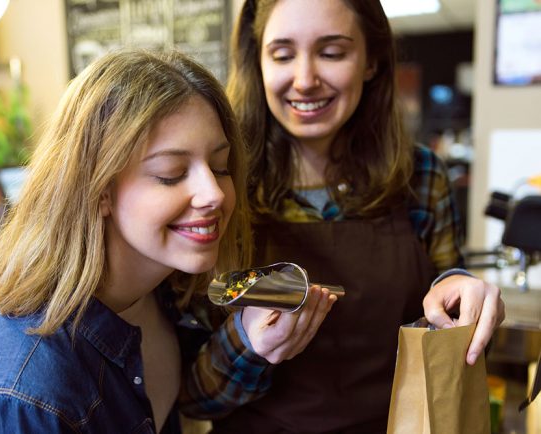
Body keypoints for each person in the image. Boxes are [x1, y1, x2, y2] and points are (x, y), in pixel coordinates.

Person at [0, 49, 337, 434]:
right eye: (171, 173)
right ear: (99, 189)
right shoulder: (28, 392)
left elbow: (188, 394)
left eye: (220, 167)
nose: (215, 194)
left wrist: (250, 342)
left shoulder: (165, 285)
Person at [208, 1, 506, 433]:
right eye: (282, 54)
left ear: (372, 61)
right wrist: (249, 347)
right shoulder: (219, 183)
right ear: (257, 63)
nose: (305, 80)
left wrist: (464, 301)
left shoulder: (420, 176)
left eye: (331, 53)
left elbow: (456, 342)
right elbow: (190, 396)